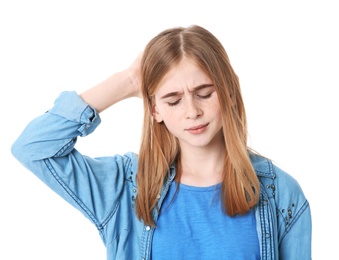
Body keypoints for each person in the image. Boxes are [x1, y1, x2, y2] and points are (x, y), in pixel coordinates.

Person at [11, 25, 312, 259]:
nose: (192, 111)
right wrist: (128, 81)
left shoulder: (279, 193)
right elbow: (34, 147)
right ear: (155, 110)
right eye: (173, 100)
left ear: (229, 92)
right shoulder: (124, 186)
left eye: (204, 93)